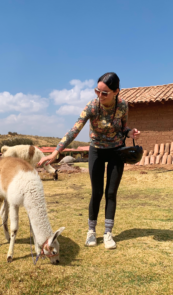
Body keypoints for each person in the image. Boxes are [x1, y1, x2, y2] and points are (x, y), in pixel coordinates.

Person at [38, 72, 140, 249]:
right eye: (97, 91)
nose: (100, 96)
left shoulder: (122, 105)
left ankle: (108, 233)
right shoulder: (92, 107)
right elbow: (74, 130)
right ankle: (91, 232)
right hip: (97, 151)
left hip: (116, 151)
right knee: (97, 192)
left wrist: (130, 132)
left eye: (105, 93)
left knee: (111, 193)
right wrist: (56, 152)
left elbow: (123, 128)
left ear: (116, 91)